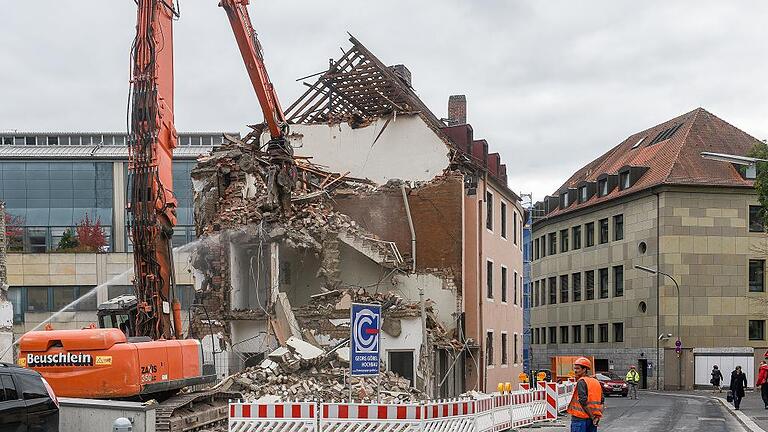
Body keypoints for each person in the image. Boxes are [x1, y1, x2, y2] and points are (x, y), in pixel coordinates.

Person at [566, 357, 604, 432]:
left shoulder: (581, 381)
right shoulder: (596, 381)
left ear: (584, 369)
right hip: (592, 419)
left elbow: (583, 401)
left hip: (580, 418)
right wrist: (597, 417)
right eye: (575, 368)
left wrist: (593, 417)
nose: (575, 371)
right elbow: (602, 401)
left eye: (577, 368)